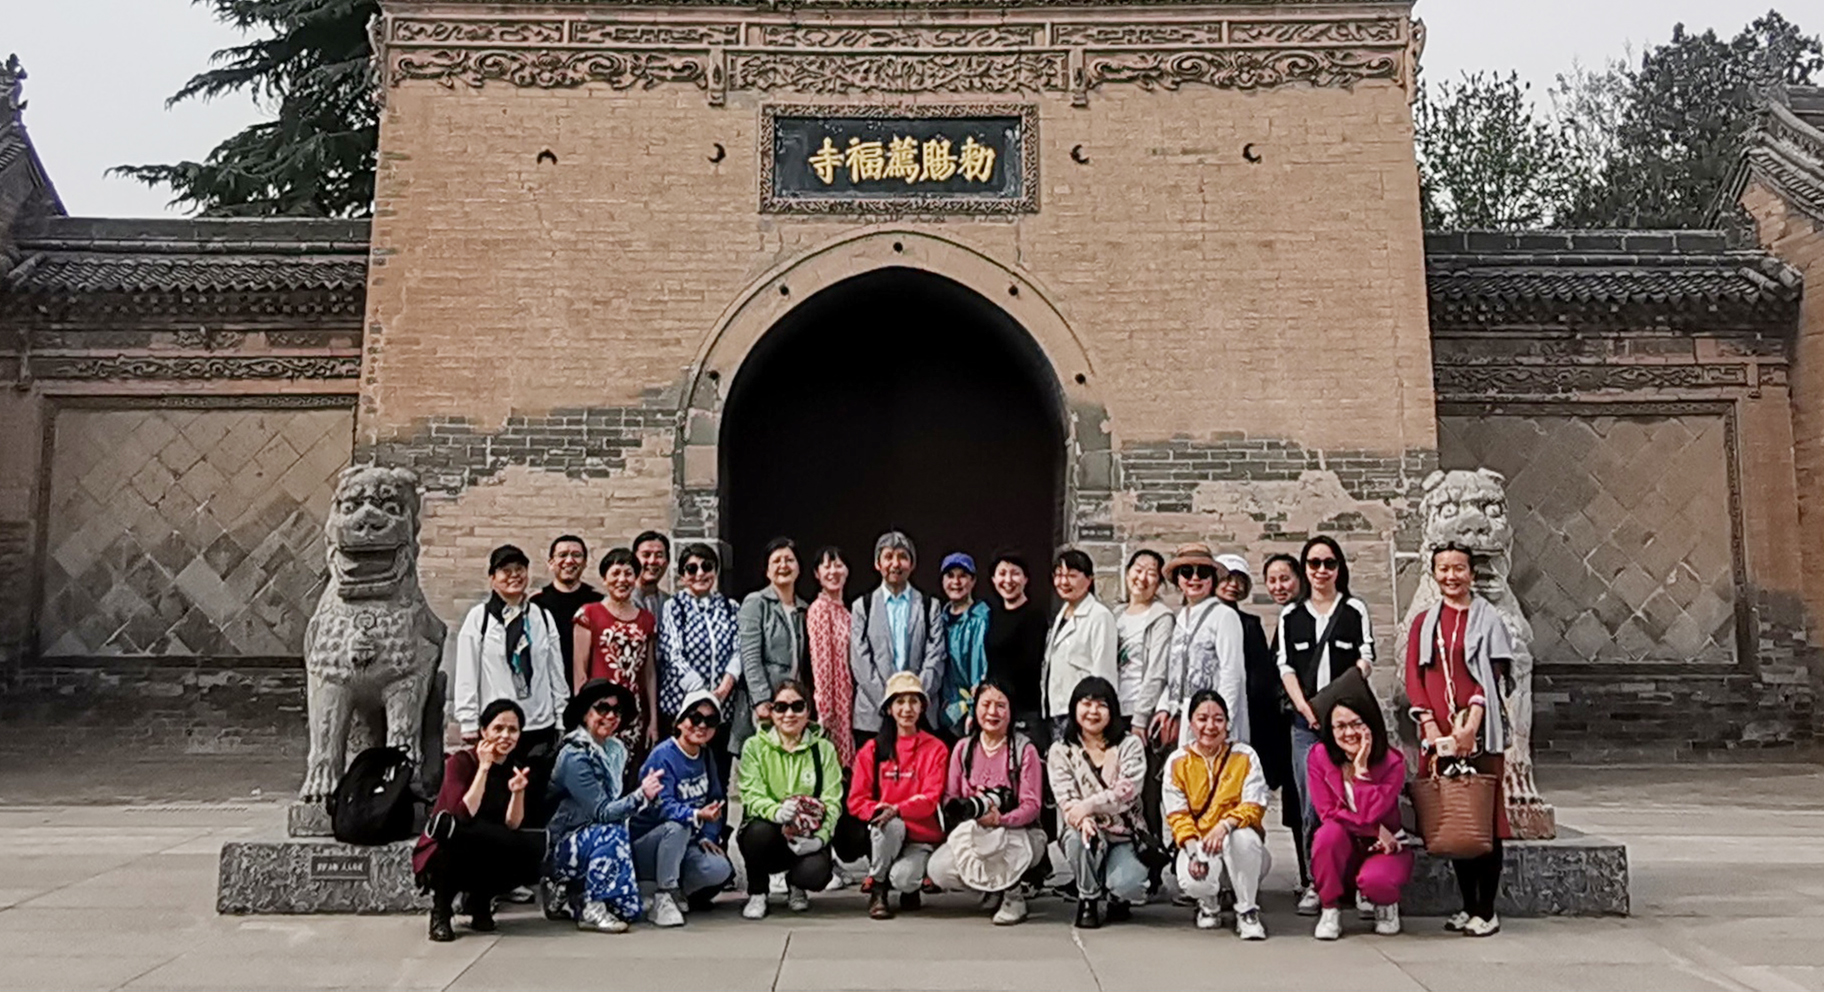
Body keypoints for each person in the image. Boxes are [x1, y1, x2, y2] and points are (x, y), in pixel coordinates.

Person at [1404, 542, 1514, 938]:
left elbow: (1494, 675)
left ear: (1472, 573)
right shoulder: (1423, 623)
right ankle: (1467, 906)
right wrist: (1430, 727)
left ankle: (1487, 909)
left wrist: (1470, 726)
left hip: (1479, 733)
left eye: (1459, 568)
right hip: (1438, 736)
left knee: (1483, 818)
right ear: (1434, 573)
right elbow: (1414, 678)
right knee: (1453, 818)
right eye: (1444, 569)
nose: (1451, 576)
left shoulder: (1489, 619)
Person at [1277, 536, 1375, 876]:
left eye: (1329, 563)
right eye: (1314, 563)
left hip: (1346, 722)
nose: (1321, 570)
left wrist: (1341, 702)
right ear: (1305, 569)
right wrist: (1305, 707)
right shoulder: (1291, 615)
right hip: (1305, 723)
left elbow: (1365, 658)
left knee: (1352, 794)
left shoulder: (1353, 610)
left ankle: (1353, 875)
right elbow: (1285, 666)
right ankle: (1314, 879)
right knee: (1312, 802)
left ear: (1339, 568)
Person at [414, 699, 545, 942]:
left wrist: (518, 792)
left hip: (486, 844)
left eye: (512, 730)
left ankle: (480, 902)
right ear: (484, 731)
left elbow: (512, 824)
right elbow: (463, 813)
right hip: (449, 845)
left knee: (519, 846)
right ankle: (441, 911)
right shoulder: (461, 762)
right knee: (460, 839)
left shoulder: (515, 768)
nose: (505, 736)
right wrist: (484, 768)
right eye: (498, 728)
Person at [454, 545, 568, 826]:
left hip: (538, 724)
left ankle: (531, 850)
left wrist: (561, 716)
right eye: (506, 571)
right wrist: (468, 721)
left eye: (520, 570)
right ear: (492, 578)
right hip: (499, 729)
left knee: (534, 798)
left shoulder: (541, 617)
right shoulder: (480, 619)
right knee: (497, 800)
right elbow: (467, 671)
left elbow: (555, 670)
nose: (514, 576)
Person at [543, 679, 664, 933]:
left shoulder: (614, 751)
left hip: (596, 839)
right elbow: (602, 812)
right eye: (602, 708)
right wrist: (640, 796)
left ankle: (573, 893)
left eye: (616, 710)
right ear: (585, 714)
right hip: (564, 845)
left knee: (629, 912)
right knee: (612, 831)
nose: (610, 716)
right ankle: (588, 904)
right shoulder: (575, 755)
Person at [927, 678, 1045, 925]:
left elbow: (1032, 805)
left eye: (1001, 705)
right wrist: (971, 808)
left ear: (1011, 711)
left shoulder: (1024, 750)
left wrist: (1001, 818)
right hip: (975, 828)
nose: (992, 712)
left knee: (1007, 846)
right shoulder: (963, 749)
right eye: (986, 704)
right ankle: (991, 889)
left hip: (1017, 829)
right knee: (938, 869)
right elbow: (951, 798)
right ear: (976, 707)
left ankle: (1014, 897)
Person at [1307, 668, 1412, 940]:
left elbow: (1372, 812)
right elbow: (1327, 812)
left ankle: (1386, 904)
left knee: (1375, 881)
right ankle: (1330, 909)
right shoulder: (1319, 756)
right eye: (1340, 726)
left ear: (1370, 723)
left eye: (1356, 724)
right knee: (1327, 835)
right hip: (1351, 843)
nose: (1349, 732)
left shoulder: (1393, 763)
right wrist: (1375, 830)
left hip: (1387, 847)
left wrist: (1362, 770)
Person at [1162, 689, 1272, 940]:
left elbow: (1254, 804)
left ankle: (1247, 910)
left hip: (1235, 839)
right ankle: (1209, 903)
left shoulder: (1244, 756)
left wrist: (1224, 826)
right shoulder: (1178, 761)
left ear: (1227, 723)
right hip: (1201, 844)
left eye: (1218, 719)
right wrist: (1193, 852)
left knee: (1243, 838)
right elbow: (1177, 815)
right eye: (1202, 719)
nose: (1210, 726)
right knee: (1194, 881)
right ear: (1191, 723)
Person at [735, 679, 845, 919]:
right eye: (781, 707)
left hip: (806, 834)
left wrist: (820, 838)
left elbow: (832, 801)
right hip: (769, 829)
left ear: (808, 710)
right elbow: (751, 794)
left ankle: (797, 885)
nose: (789, 714)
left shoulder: (823, 749)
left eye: (797, 706)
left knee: (816, 872)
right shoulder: (754, 746)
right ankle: (757, 892)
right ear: (771, 711)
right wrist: (776, 812)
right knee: (757, 833)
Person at [1048, 676, 1148, 929]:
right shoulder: (1061, 750)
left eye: (1101, 705)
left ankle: (1115, 894)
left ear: (1112, 710)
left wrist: (1087, 806)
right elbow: (1066, 798)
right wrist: (1083, 818)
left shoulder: (1130, 745)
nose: (1093, 711)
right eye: (1086, 703)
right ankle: (1088, 897)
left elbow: (1126, 793)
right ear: (1074, 708)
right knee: (1078, 840)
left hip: (1122, 834)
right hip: (1084, 829)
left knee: (1129, 884)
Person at [630, 691, 736, 926]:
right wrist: (696, 814)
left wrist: (708, 835)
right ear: (679, 722)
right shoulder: (663, 756)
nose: (702, 726)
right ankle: (664, 893)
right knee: (679, 825)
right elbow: (663, 807)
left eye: (710, 721)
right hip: (649, 841)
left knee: (719, 868)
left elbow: (715, 800)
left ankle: (673, 890)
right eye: (695, 718)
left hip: (685, 842)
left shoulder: (706, 756)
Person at [847, 671, 948, 919]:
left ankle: (908, 886)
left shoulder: (936, 748)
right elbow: (856, 800)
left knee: (904, 879)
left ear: (922, 707)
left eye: (913, 701)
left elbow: (931, 797)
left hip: (920, 837)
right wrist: (880, 810)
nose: (907, 709)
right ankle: (878, 888)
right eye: (899, 701)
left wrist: (898, 809)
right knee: (891, 824)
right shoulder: (871, 750)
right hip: (884, 834)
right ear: (889, 709)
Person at [849, 531, 946, 753]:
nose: (895, 563)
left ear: (912, 564)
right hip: (873, 715)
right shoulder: (862, 606)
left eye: (902, 556)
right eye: (888, 556)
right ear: (877, 563)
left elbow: (935, 656)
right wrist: (888, 702)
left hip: (921, 716)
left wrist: (914, 701)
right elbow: (860, 660)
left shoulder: (929, 606)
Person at [656, 542, 740, 785]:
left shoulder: (730, 607)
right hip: (683, 708)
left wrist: (724, 687)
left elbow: (739, 650)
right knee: (683, 777)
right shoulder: (675, 606)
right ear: (682, 576)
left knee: (718, 778)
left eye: (707, 566)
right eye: (692, 569)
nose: (700, 573)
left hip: (721, 708)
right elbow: (672, 652)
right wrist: (701, 695)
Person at [1262, 552, 1318, 914]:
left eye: (1285, 578)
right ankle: (1308, 874)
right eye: (1272, 580)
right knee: (1298, 804)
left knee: (1309, 802)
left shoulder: (1306, 617)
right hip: (1288, 725)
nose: (1279, 586)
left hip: (1307, 721)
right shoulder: (1287, 618)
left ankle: (1317, 877)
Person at [1119, 549, 1176, 895]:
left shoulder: (1161, 617)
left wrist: (1140, 720)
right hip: (1114, 713)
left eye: (1151, 573)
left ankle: (1153, 871)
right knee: (1117, 794)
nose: (1142, 578)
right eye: (1137, 569)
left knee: (1145, 797)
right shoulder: (1115, 616)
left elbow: (1157, 671)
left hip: (1142, 717)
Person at [1154, 543, 1246, 748]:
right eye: (1187, 572)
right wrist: (1164, 707)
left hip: (1210, 718)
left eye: (1203, 573)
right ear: (1178, 579)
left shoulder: (1224, 616)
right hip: (1182, 717)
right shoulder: (1180, 618)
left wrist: (1224, 721)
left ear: (1212, 579)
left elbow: (1232, 673)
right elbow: (1174, 671)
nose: (1194, 579)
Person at [572, 548, 658, 755]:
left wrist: (653, 720)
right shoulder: (589, 614)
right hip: (599, 712)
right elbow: (579, 671)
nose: (622, 579)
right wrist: (583, 716)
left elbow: (649, 673)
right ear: (604, 579)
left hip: (633, 713)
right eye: (615, 573)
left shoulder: (647, 619)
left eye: (628, 574)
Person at [733, 537, 810, 756]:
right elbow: (750, 656)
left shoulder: (804, 609)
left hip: (793, 706)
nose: (783, 566)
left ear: (798, 568)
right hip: (766, 705)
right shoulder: (756, 602)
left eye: (789, 560)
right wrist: (761, 699)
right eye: (776, 561)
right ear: (767, 571)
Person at [1042, 549, 1118, 740]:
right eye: (1059, 575)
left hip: (1083, 715)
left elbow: (1104, 670)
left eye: (1072, 576)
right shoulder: (1061, 614)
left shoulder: (1099, 616)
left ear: (1089, 579)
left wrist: (1096, 713)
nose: (1063, 582)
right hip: (1056, 711)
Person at [983, 549, 1050, 754]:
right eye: (1002, 573)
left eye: (1015, 573)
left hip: (1025, 711)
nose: (1008, 580)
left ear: (1025, 578)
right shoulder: (991, 615)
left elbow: (1030, 663)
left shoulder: (1035, 616)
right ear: (993, 579)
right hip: (996, 709)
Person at [806, 546, 857, 769]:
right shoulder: (819, 609)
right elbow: (821, 664)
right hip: (832, 705)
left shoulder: (846, 613)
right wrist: (825, 712)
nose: (833, 572)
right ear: (817, 574)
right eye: (826, 566)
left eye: (838, 565)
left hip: (849, 701)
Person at [532, 534, 603, 684]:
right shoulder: (536, 604)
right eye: (562, 555)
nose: (569, 560)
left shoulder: (598, 603)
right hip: (548, 685)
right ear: (551, 563)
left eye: (576, 555)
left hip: (590, 686)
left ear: (585, 563)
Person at [937, 552, 991, 739]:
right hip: (943, 712)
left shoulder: (980, 618)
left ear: (973, 581)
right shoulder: (938, 618)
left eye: (963, 576)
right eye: (950, 576)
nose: (956, 582)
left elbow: (980, 667)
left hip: (970, 714)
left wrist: (974, 709)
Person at [632, 530, 672, 618]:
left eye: (659, 555)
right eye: (646, 555)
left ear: (667, 562)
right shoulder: (620, 602)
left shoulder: (671, 604)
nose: (652, 561)